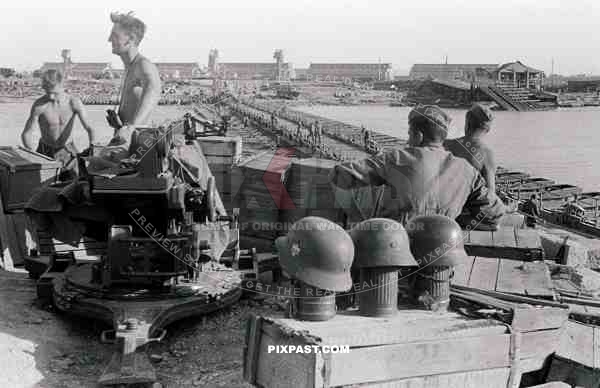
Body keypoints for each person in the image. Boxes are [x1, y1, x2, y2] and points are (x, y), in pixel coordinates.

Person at [330, 105, 507, 228]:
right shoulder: (467, 171)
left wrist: (380, 168)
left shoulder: (397, 158)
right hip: (440, 252)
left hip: (399, 247)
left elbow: (340, 176)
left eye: (409, 134)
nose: (407, 140)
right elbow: (495, 212)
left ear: (418, 136)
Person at [22, 69, 98, 180]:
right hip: (44, 151)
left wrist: (92, 150)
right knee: (44, 189)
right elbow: (27, 134)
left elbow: (90, 129)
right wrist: (33, 155)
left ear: (62, 86)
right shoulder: (39, 105)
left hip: (68, 151)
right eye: (48, 92)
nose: (51, 96)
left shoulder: (74, 102)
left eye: (55, 93)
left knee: (73, 187)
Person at [107, 11, 161, 150]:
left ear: (130, 39)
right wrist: (120, 125)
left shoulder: (142, 65)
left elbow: (153, 90)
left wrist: (132, 126)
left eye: (114, 36)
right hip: (129, 142)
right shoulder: (129, 67)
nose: (109, 39)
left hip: (141, 145)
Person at [445, 103, 496, 191]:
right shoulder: (487, 155)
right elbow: (490, 192)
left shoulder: (446, 145)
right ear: (488, 129)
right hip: (468, 202)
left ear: (467, 124)